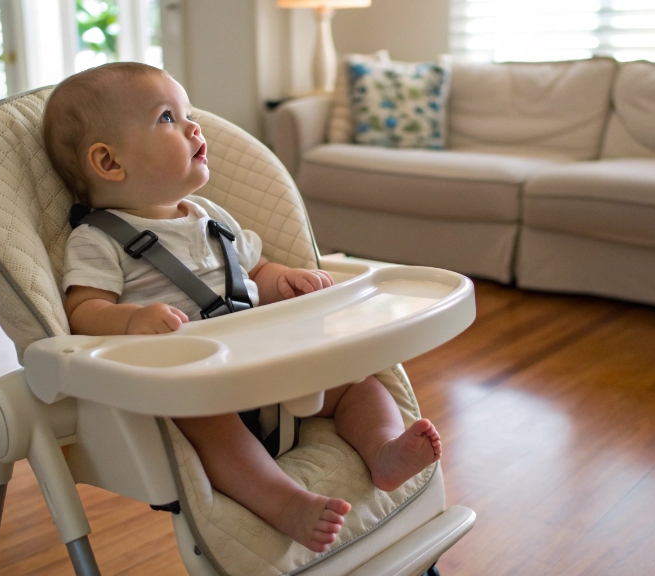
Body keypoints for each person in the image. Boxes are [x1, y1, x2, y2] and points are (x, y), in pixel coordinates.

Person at [43, 62, 441, 553]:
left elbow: (254, 273)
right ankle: (287, 503)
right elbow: (83, 310)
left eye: (189, 114)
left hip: (269, 368)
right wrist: (130, 320)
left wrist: (285, 282)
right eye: (168, 117)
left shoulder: (212, 218)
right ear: (109, 163)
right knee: (210, 430)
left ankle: (383, 451)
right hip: (202, 389)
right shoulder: (98, 240)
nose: (194, 126)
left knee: (359, 383)